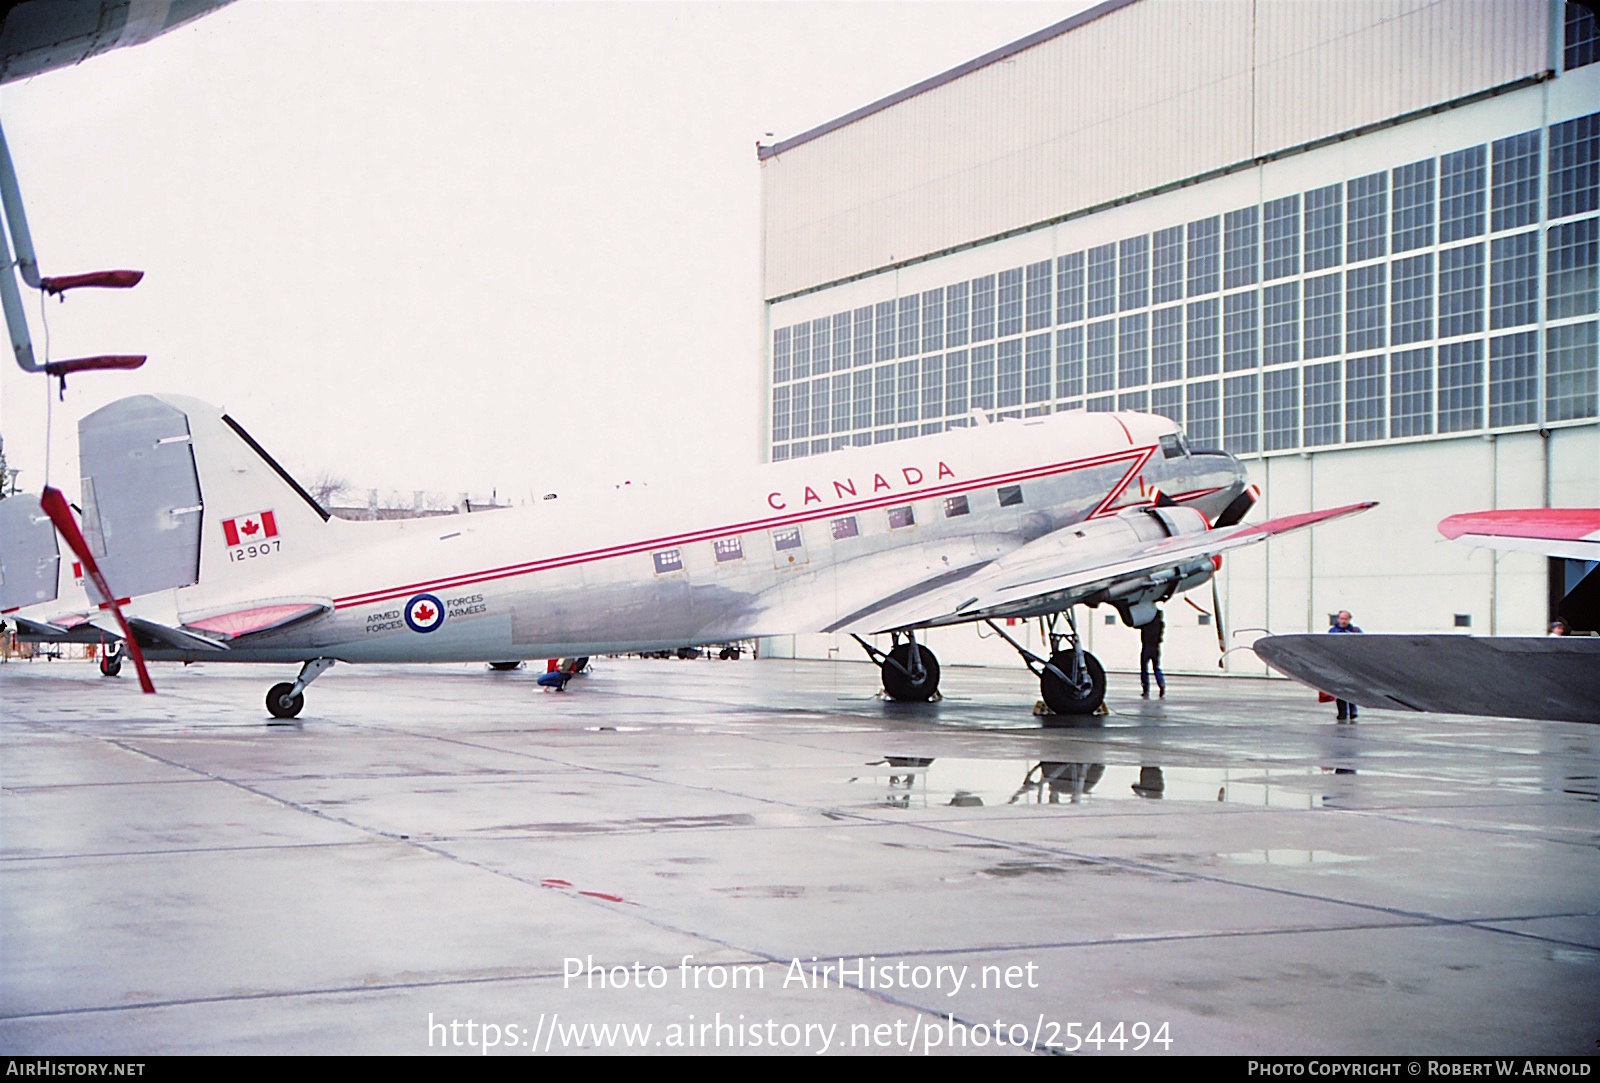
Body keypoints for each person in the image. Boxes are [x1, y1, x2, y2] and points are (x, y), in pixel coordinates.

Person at [1327, 609, 1362, 720]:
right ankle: (1342, 712)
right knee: (1340, 690)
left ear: (1349, 619)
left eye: (1345, 618)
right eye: (1341, 618)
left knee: (1352, 689)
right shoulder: (1333, 631)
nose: (1343, 621)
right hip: (1338, 665)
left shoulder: (1355, 631)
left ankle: (1353, 711)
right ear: (1338, 619)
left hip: (1351, 665)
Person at [1140, 609, 1166, 698]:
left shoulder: (1146, 623)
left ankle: (1146, 690)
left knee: (1144, 669)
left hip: (1146, 647)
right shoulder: (1160, 624)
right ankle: (1161, 684)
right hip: (1156, 647)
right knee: (1156, 668)